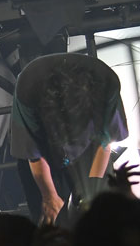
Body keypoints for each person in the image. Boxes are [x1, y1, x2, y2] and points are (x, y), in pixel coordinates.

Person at [10, 53, 128, 226]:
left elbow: (105, 142)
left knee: (102, 211)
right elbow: (33, 153)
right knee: (49, 218)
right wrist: (49, 196)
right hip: (44, 154)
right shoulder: (27, 89)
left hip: (91, 150)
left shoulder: (107, 84)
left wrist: (94, 187)